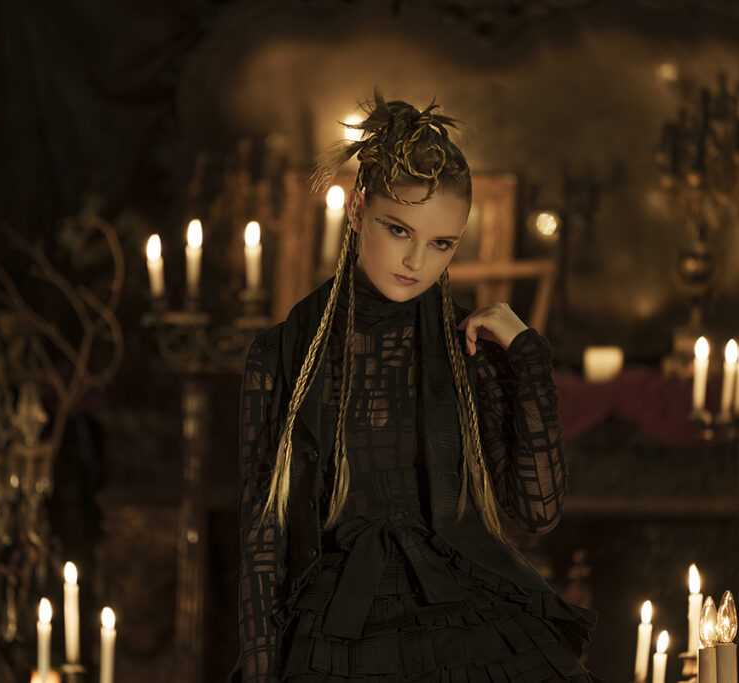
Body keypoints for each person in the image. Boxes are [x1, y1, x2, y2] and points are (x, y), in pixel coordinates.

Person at [232, 93, 597, 683]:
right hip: (334, 628)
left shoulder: (469, 348)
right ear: (356, 212)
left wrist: (528, 357)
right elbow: (261, 542)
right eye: (398, 229)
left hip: (463, 614)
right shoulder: (280, 356)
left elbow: (538, 510)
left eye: (441, 243)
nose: (416, 261)